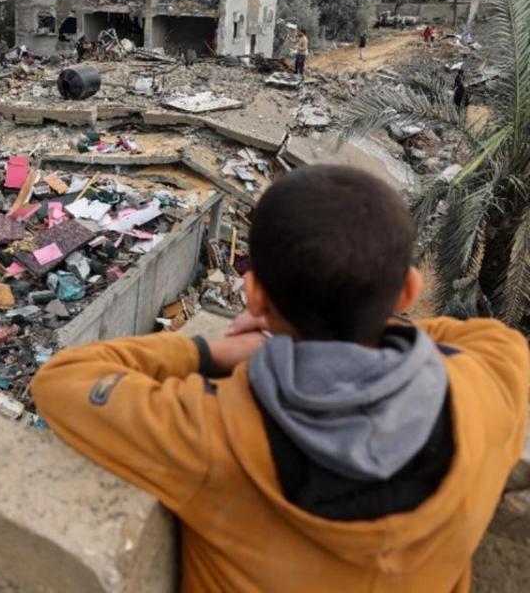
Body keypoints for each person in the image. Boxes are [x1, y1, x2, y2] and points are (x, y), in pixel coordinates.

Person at [32, 164, 528, 592]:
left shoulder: (212, 433)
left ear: (256, 298)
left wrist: (214, 351)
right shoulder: (487, 389)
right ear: (408, 293)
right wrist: (365, 319)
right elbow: (487, 338)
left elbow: (64, 379)